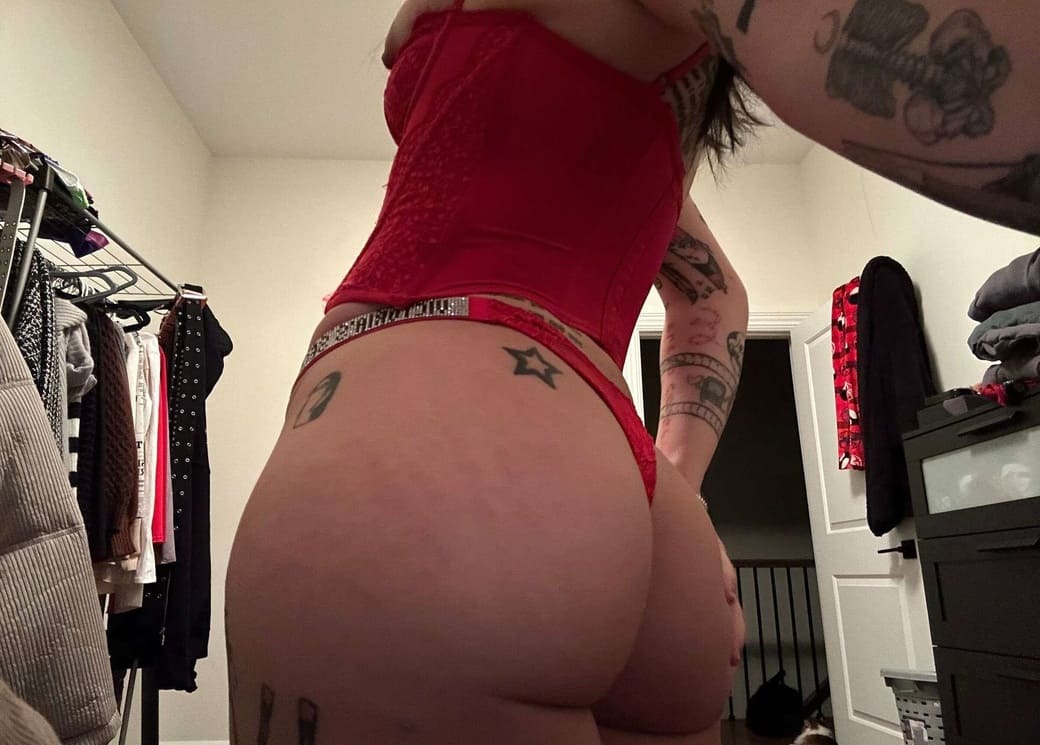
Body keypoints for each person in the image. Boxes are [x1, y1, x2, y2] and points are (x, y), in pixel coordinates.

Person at [226, 1, 1038, 743]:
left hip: (424, 477)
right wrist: (670, 491)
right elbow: (712, 293)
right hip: (616, 499)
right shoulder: (622, 107)